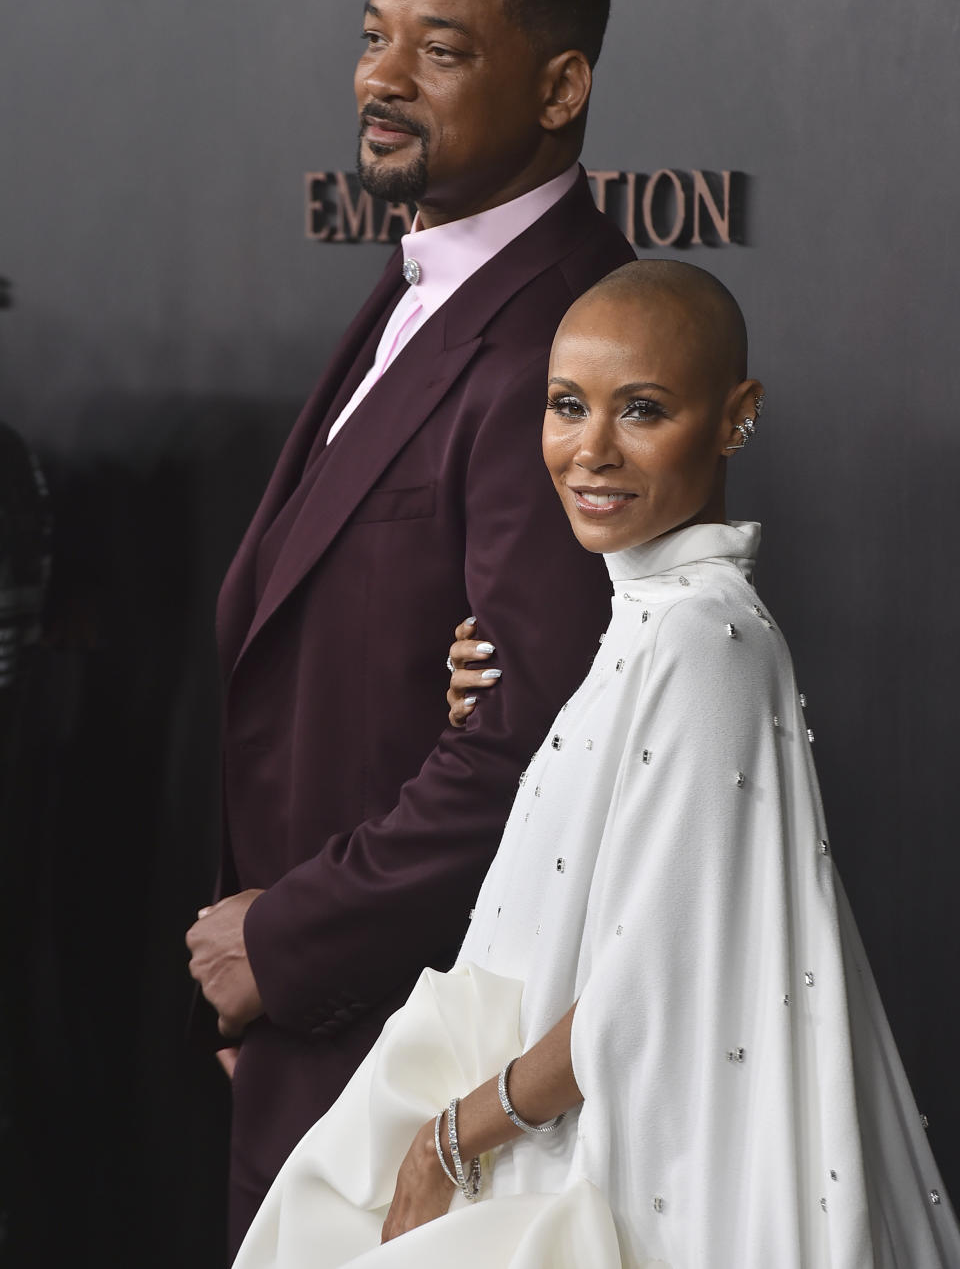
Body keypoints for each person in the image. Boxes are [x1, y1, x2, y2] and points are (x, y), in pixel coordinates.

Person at [231, 260, 960, 1269]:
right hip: (557, 1134)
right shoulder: (651, 619)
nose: (590, 450)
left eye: (643, 409)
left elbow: (646, 984)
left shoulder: (703, 639)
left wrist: (451, 1139)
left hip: (590, 1159)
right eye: (567, 405)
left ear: (734, 417)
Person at [184, 0, 634, 1251]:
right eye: (373, 40)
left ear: (560, 87)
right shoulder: (424, 280)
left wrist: (286, 947)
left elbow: (525, 750)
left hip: (428, 1065)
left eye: (436, 50)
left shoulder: (570, 333)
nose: (380, 78)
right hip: (322, 1041)